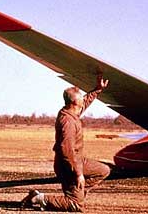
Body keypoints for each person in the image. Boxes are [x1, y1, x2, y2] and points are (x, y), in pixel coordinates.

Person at [21, 76, 110, 212]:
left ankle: (77, 194)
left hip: (78, 161)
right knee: (76, 206)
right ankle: (40, 198)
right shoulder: (67, 122)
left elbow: (85, 102)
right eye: (80, 97)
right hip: (68, 166)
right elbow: (66, 151)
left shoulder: (71, 111)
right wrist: (79, 174)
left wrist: (97, 90)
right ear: (74, 102)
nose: (83, 98)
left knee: (103, 170)